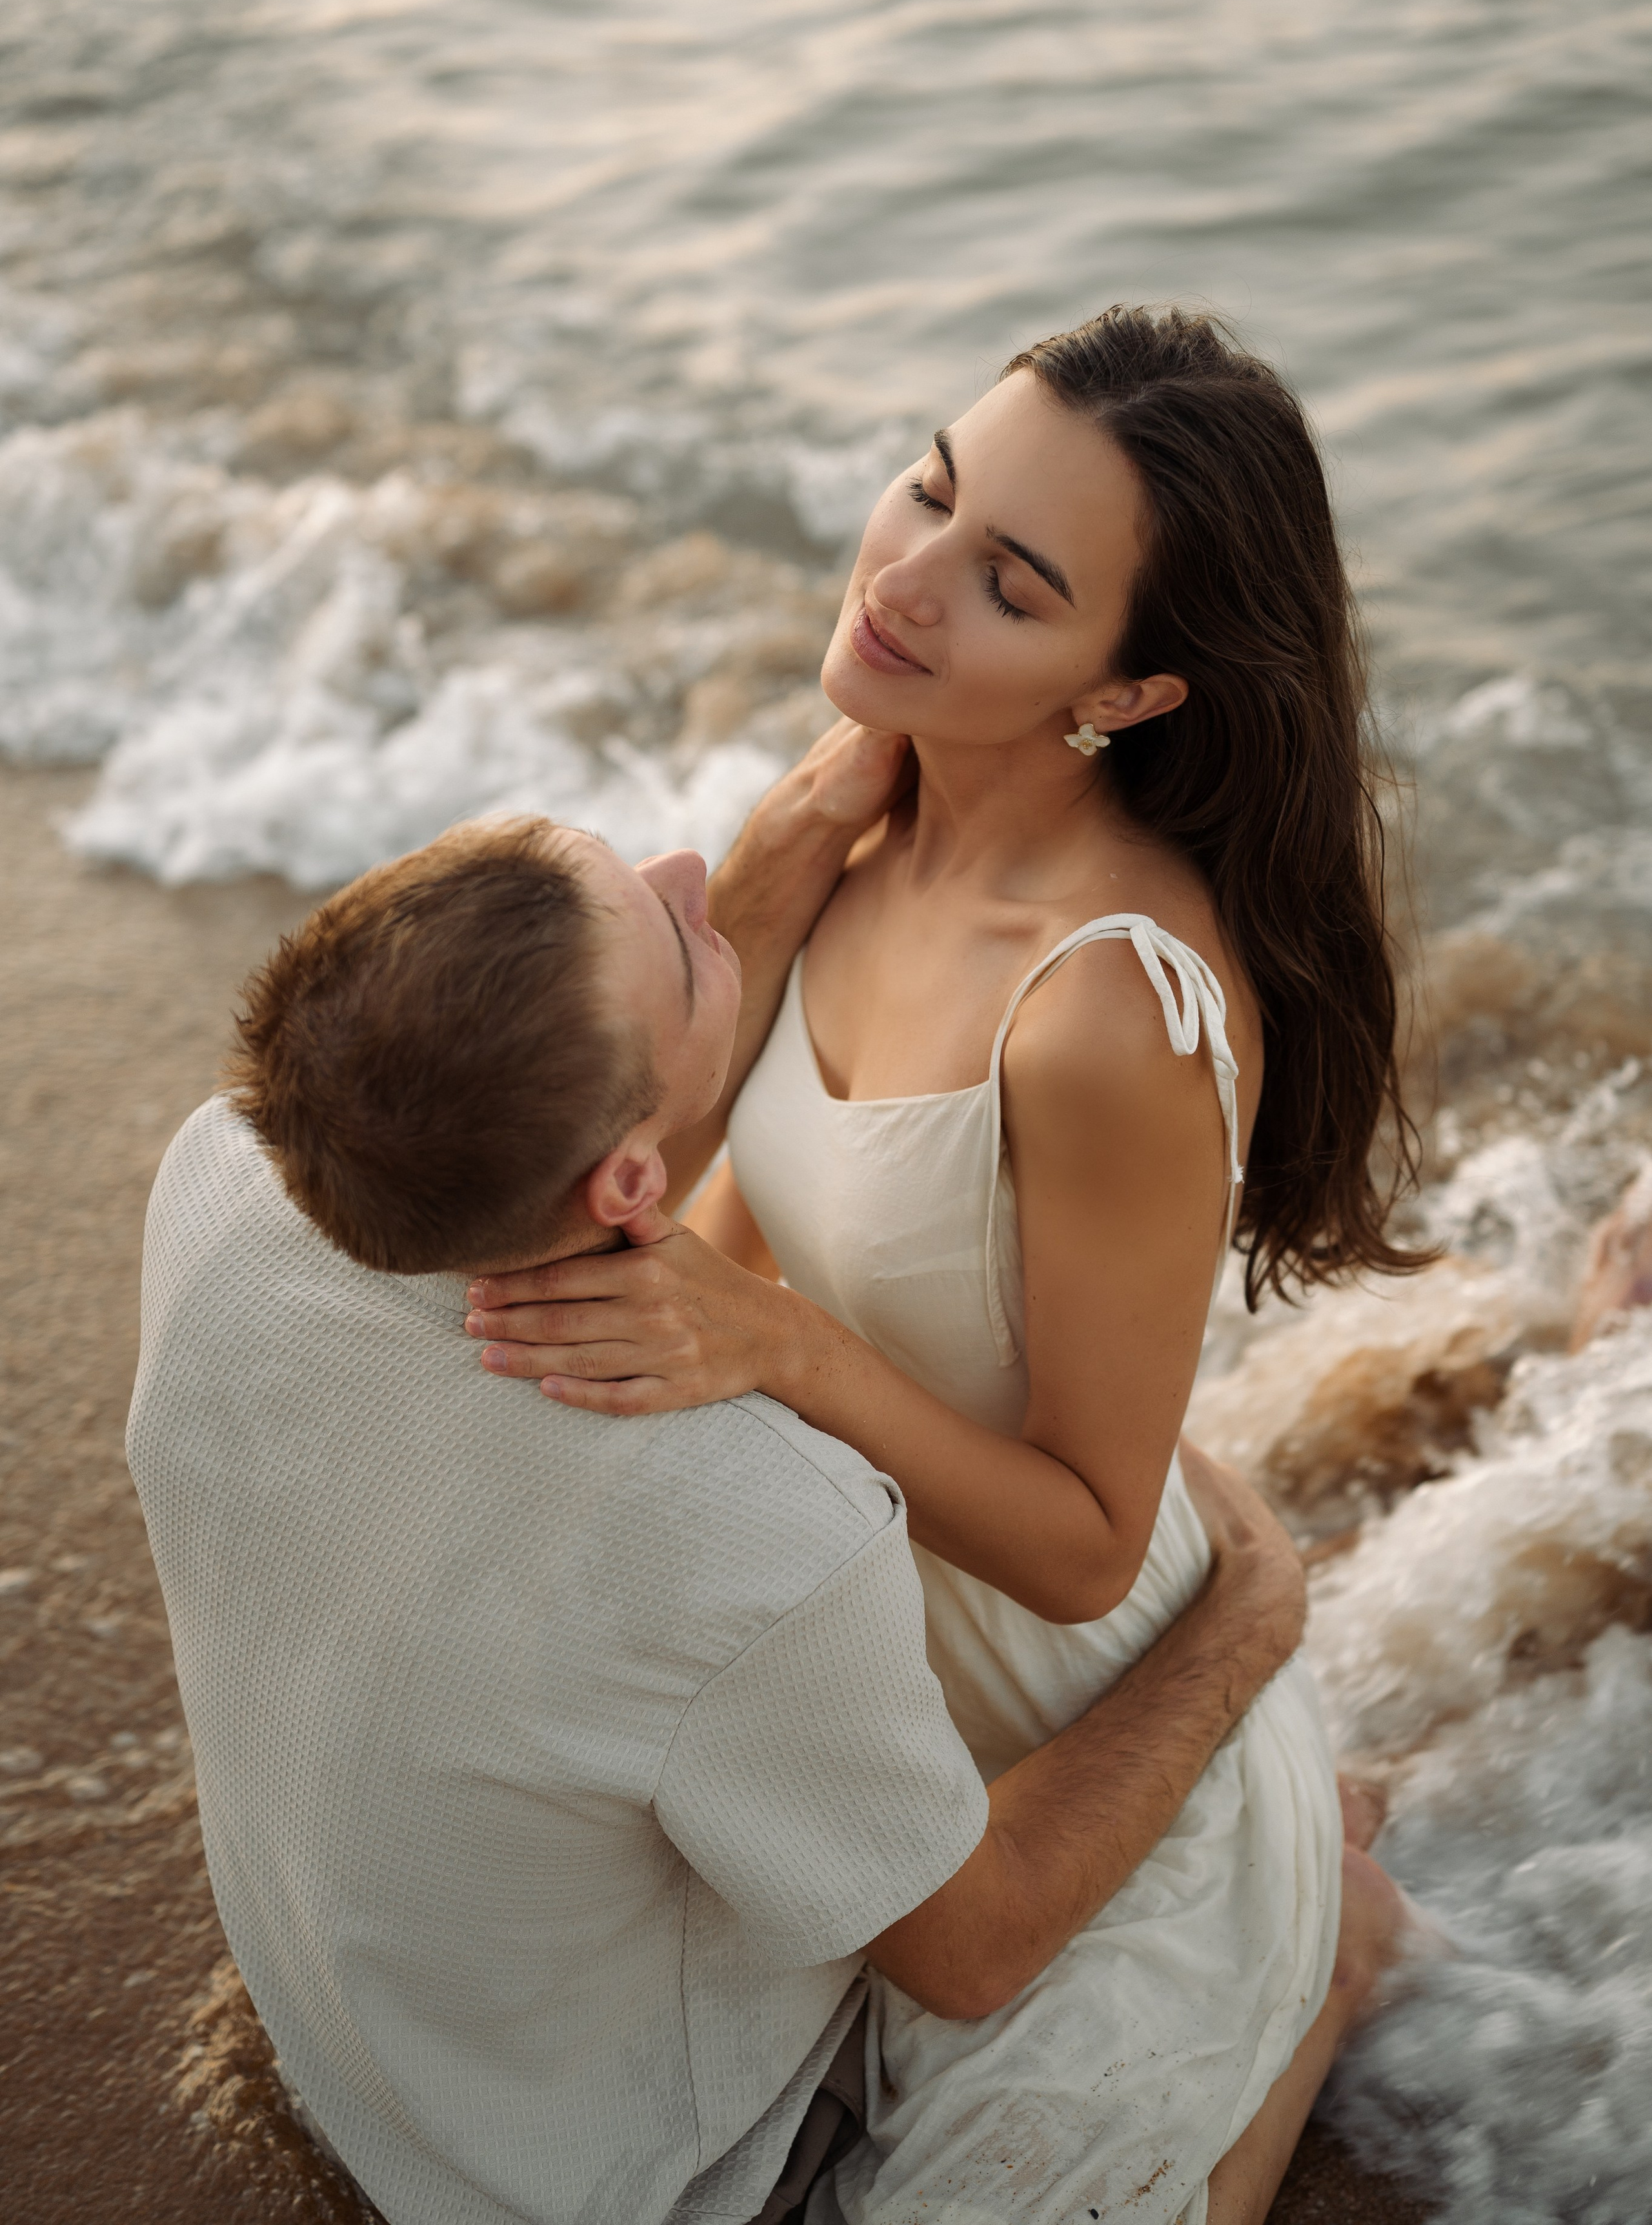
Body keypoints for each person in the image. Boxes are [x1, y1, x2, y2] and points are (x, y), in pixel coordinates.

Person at [128, 749, 1400, 2225]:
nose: (692, 872)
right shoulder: (748, 1521)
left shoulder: (221, 1181)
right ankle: (1321, 1980)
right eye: (674, 931)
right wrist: (1248, 1611)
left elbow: (609, 1164)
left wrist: (774, 861)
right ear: (621, 1188)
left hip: (371, 2025)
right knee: (1271, 1921)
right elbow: (973, 1944)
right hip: (608, 2168)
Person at [465, 308, 1427, 2224]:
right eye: (929, 482)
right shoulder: (860, 803)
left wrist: (776, 1352)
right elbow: (683, 1194)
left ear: (1131, 689)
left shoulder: (1108, 1014)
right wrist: (779, 853)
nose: (905, 578)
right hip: (851, 1661)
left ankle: (1306, 1926)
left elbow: (1085, 1536)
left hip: (1065, 1690)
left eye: (1013, 580)